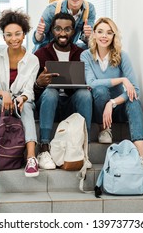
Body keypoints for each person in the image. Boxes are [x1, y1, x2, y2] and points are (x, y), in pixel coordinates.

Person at [80, 17, 143, 176]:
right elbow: (91, 83)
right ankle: (104, 129)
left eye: (109, 33)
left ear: (114, 36)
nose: (104, 36)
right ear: (93, 34)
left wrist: (112, 103)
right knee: (100, 90)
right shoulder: (86, 55)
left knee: (134, 100)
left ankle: (141, 157)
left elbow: (134, 89)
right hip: (98, 108)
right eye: (100, 31)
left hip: (117, 106)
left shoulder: (122, 55)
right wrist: (121, 79)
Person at [34, 12, 92, 170]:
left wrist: (84, 84)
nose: (62, 33)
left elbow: (90, 80)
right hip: (48, 104)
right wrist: (38, 84)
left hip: (70, 105)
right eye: (58, 29)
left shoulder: (81, 54)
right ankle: (44, 148)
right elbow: (30, 91)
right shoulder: (40, 54)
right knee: (51, 92)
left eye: (67, 29)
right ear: (52, 30)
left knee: (85, 94)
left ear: (73, 32)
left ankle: (82, 150)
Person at [0, 9, 40, 177]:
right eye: (9, 35)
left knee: (27, 107)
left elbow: (29, 90)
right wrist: (2, 94)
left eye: (17, 34)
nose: (14, 39)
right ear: (3, 37)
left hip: (20, 102)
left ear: (24, 34)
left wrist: (22, 98)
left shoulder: (32, 59)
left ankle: (31, 158)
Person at [32, 0, 96, 52]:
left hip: (67, 52)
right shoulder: (52, 10)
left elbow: (89, 42)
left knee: (90, 49)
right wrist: (39, 33)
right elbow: (37, 41)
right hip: (47, 53)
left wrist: (88, 36)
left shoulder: (89, 9)